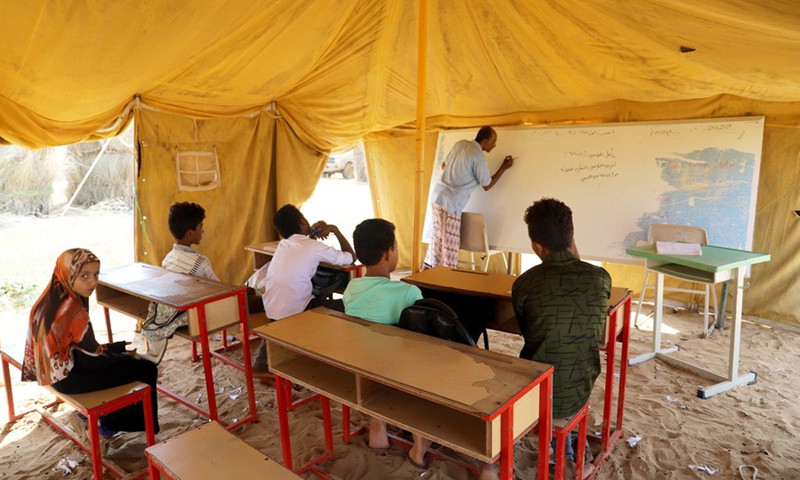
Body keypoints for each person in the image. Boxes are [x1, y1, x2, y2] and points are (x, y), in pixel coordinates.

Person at [343, 219, 498, 479]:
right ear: (389, 253)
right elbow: (425, 335)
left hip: (366, 371)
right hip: (402, 378)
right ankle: (419, 447)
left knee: (380, 355)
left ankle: (378, 428)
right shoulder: (407, 292)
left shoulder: (350, 289)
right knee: (425, 366)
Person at [511, 198, 611, 480]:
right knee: (563, 367)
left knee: (546, 365)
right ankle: (567, 456)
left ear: (538, 247)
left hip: (540, 393)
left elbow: (529, 333)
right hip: (581, 386)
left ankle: (564, 458)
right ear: (572, 238)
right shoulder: (600, 278)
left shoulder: (524, 284)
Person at [21, 248, 160, 447]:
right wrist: (124, 356)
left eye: (95, 275)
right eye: (84, 276)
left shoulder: (51, 297)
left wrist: (117, 348)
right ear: (69, 274)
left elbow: (79, 348)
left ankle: (84, 417)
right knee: (145, 370)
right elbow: (91, 360)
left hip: (52, 373)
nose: (92, 282)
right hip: (69, 379)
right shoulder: (72, 310)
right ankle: (105, 431)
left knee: (120, 362)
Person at [251, 204, 356, 377]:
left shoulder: (284, 245)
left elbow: (304, 251)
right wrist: (334, 229)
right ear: (302, 221)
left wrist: (311, 237)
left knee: (300, 299)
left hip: (271, 310)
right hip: (296, 313)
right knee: (348, 305)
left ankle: (262, 361)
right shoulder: (311, 246)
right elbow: (351, 257)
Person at [139, 202, 219, 364]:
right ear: (190, 233)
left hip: (172, 307)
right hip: (192, 315)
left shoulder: (168, 258)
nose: (203, 230)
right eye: (200, 226)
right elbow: (219, 289)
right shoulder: (200, 262)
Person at [423, 126, 514, 269]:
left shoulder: (460, 144)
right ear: (484, 141)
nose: (495, 145)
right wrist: (504, 167)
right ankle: (445, 282)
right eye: (494, 141)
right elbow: (487, 185)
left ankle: (429, 276)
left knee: (437, 242)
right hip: (451, 204)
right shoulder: (478, 157)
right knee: (449, 249)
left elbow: (443, 166)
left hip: (437, 198)